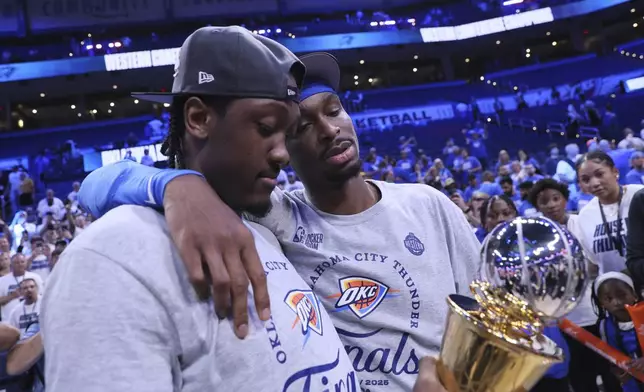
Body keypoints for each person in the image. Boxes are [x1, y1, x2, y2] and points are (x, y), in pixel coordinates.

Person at [76, 51, 480, 390]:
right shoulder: (276, 219)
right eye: (301, 127)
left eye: (334, 110)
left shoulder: (429, 205)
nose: (328, 129)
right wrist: (175, 184)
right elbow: (96, 184)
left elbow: (487, 316)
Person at [43, 26, 367, 392]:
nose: (282, 154)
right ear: (198, 119)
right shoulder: (113, 257)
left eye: (287, 133)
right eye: (265, 128)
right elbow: (94, 185)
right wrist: (173, 183)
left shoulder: (264, 225)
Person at [528, 179, 621, 392]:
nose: (551, 205)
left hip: (595, 311)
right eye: (544, 202)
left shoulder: (581, 223)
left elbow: (594, 264)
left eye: (556, 198)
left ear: (565, 199)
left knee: (610, 371)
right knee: (580, 376)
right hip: (564, 320)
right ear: (537, 207)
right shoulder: (536, 235)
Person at [576, 151, 644, 274]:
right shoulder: (584, 216)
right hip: (616, 290)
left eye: (600, 174)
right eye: (586, 180)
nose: (594, 183)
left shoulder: (640, 196)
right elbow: (595, 262)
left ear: (615, 172)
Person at [593, 272, 643, 392]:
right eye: (608, 299)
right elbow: (612, 358)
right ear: (602, 303)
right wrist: (619, 372)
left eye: (622, 295)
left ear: (634, 295)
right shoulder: (604, 326)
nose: (617, 302)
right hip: (632, 384)